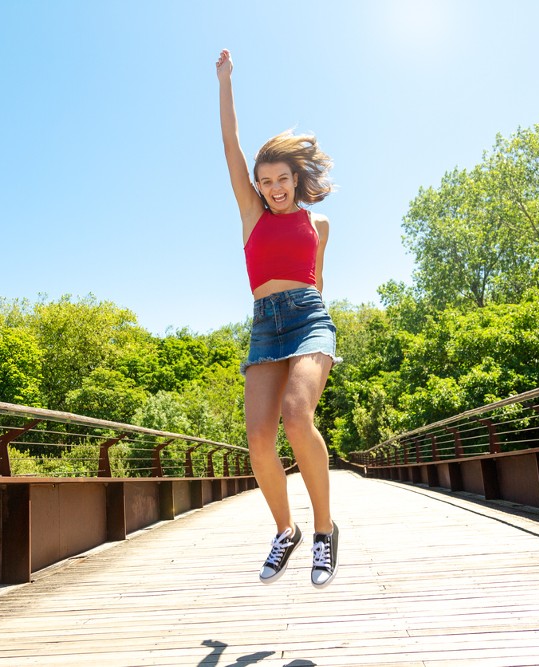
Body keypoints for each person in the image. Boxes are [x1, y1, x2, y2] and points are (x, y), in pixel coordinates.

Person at [215, 48, 341, 588]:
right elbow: (230, 146)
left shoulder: (320, 225)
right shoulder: (250, 213)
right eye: (265, 181)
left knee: (296, 414)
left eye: (281, 179)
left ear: (297, 176)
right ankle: (284, 530)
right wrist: (225, 82)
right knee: (258, 439)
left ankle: (324, 532)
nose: (273, 188)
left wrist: (321, 338)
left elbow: (317, 283)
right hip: (265, 325)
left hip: (309, 318)